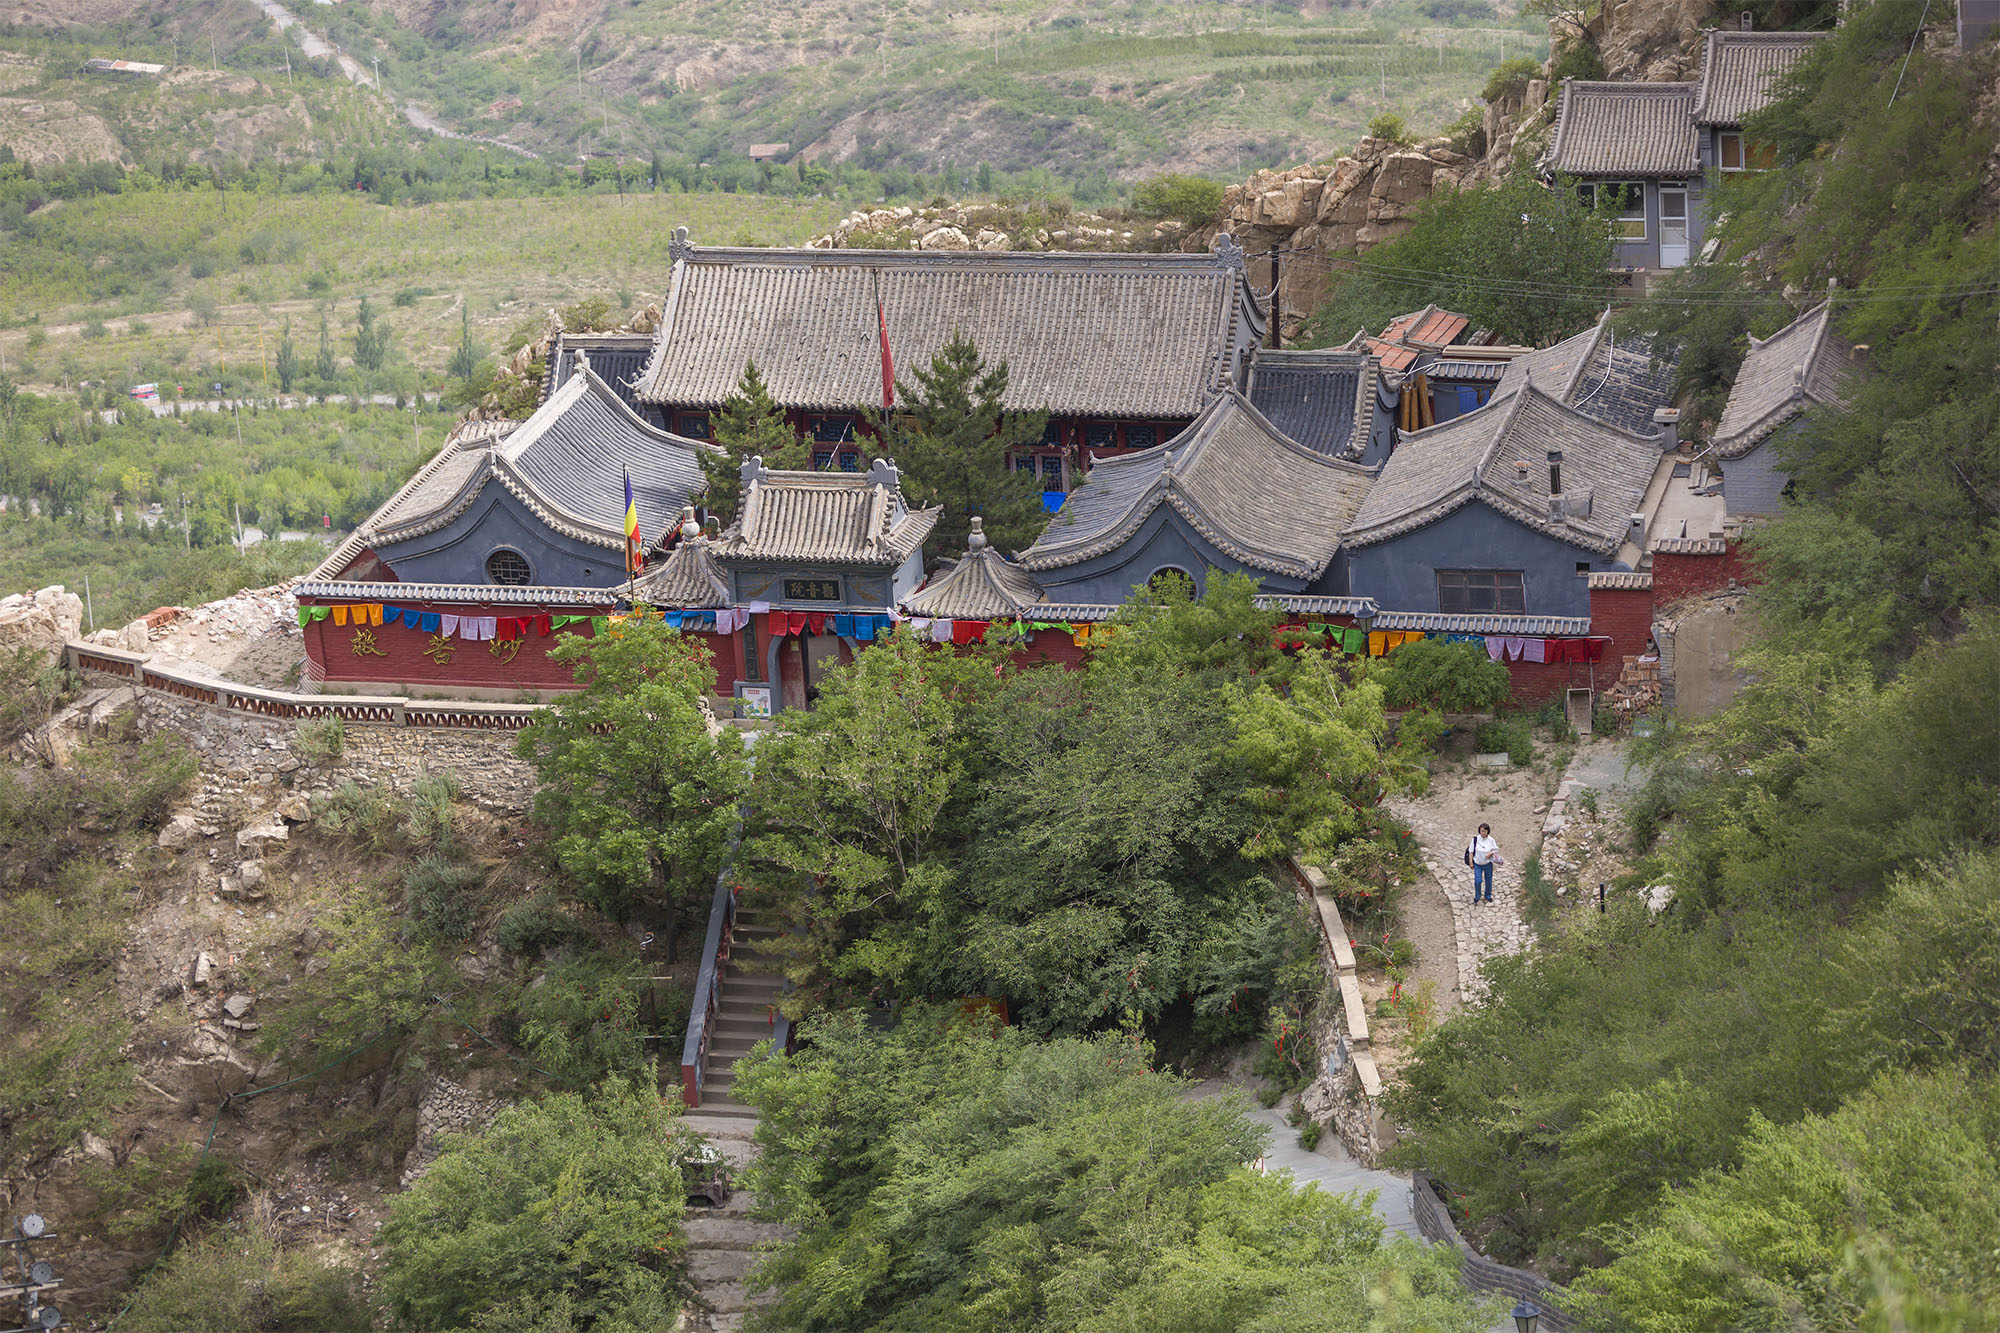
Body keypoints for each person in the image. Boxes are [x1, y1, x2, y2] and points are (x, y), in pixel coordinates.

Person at [1465, 823, 1501, 903]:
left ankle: (1488, 895)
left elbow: (1496, 849)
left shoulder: (1491, 840)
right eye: (1482, 831)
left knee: (1488, 880)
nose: (1483, 833)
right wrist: (1471, 862)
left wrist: (1491, 853)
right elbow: (1471, 851)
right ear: (1479, 831)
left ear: (1488, 831)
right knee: (1478, 881)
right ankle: (1477, 896)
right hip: (1478, 864)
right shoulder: (1475, 840)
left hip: (1488, 864)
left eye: (1485, 831)